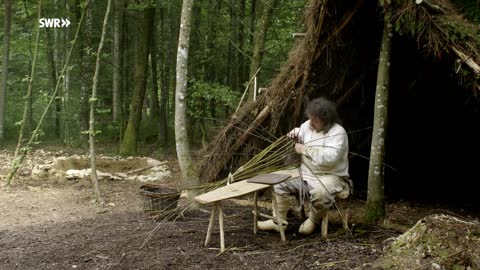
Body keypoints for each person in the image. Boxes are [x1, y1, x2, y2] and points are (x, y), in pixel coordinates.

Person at [258, 97, 351, 235]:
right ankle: (278, 221)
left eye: (315, 121)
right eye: (310, 119)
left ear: (326, 121)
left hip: (330, 176)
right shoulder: (308, 125)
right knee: (278, 181)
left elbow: (330, 158)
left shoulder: (338, 133)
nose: (311, 123)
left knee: (321, 194)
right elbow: (301, 130)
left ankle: (313, 220)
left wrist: (305, 149)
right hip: (305, 173)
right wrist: (294, 134)